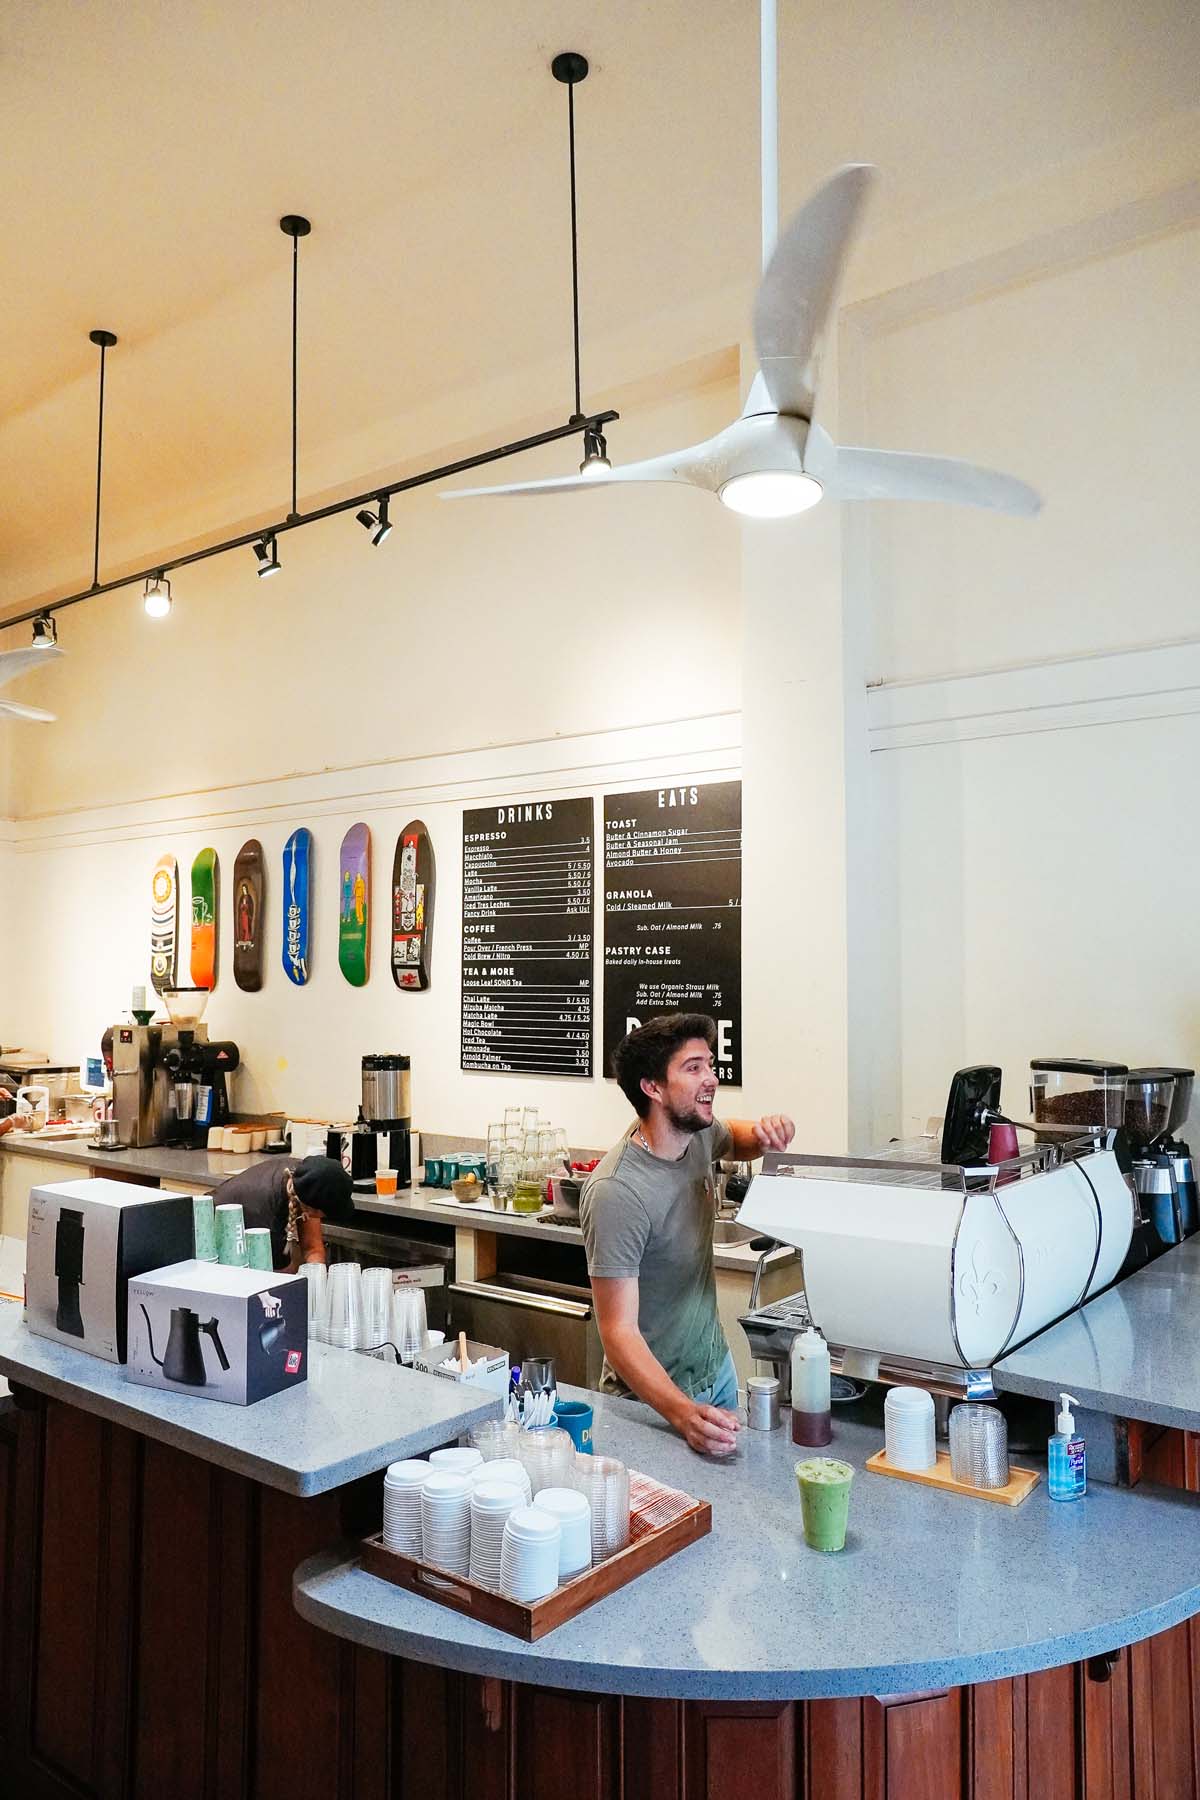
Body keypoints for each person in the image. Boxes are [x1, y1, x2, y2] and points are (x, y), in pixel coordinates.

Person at [581, 1013, 795, 1456]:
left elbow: (733, 1138)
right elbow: (618, 1332)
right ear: (653, 1088)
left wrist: (763, 1133)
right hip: (652, 1404)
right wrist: (681, 1412)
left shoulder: (695, 1134)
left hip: (715, 1372)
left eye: (710, 1065)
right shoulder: (616, 1191)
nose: (711, 1079)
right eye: (693, 1068)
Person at [217, 1154, 355, 1272]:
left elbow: (312, 1248)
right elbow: (275, 1278)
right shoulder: (268, 1220)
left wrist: (316, 1279)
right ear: (313, 1210)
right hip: (215, 1241)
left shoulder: (304, 1178)